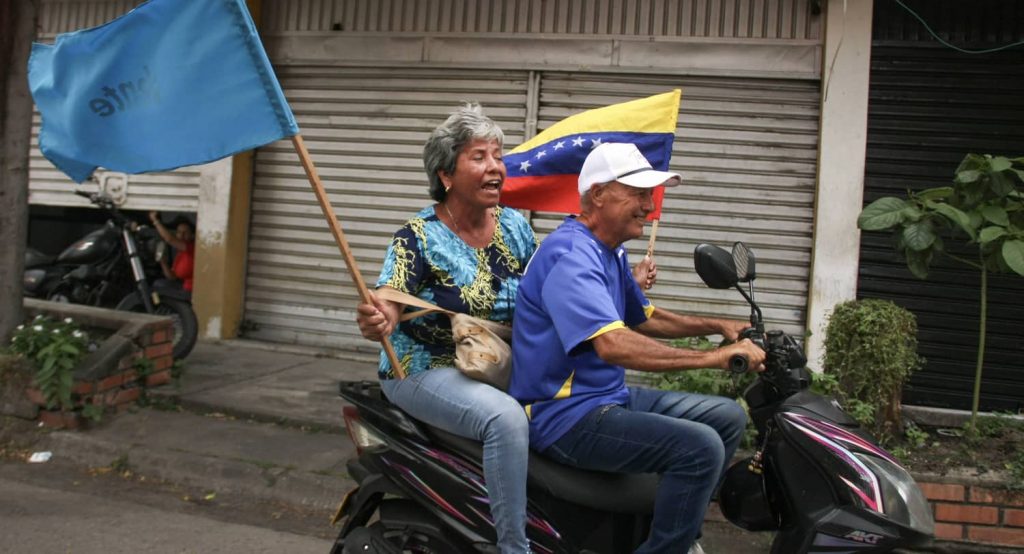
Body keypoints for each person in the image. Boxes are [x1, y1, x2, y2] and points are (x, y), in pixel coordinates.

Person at [508, 142, 767, 554]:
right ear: (598, 195)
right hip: (564, 416)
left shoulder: (609, 251)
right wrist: (713, 358)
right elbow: (612, 344)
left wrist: (719, 324)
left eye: (651, 195)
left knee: (729, 417)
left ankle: (677, 534)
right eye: (640, 194)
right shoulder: (571, 255)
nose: (650, 206)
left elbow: (644, 316)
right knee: (700, 449)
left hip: (609, 399)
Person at [149, 211, 196, 297]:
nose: (181, 235)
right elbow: (172, 277)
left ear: (192, 235)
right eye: (179, 232)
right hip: (183, 287)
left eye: (185, 233)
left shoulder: (192, 248)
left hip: (191, 291)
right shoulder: (180, 254)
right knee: (157, 284)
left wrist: (155, 221)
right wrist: (163, 262)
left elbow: (170, 239)